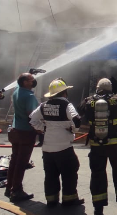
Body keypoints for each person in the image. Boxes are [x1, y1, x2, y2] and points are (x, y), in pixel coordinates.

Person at [78, 78, 117, 215]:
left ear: (97, 88)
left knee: (97, 175)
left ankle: (98, 209)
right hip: (116, 145)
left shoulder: (89, 101)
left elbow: (80, 111)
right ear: (111, 89)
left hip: (97, 145)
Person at [30, 78, 84, 207]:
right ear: (64, 92)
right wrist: (73, 129)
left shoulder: (43, 105)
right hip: (64, 147)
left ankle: (51, 200)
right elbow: (77, 119)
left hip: (47, 148)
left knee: (50, 175)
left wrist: (43, 128)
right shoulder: (67, 105)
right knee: (70, 172)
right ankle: (69, 199)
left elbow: (31, 119)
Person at [6, 73, 39, 202]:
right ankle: (17, 191)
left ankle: (9, 187)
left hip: (16, 130)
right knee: (22, 162)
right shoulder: (29, 96)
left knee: (14, 160)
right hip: (26, 132)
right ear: (25, 82)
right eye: (31, 80)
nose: (33, 81)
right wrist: (40, 128)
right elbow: (32, 115)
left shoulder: (17, 91)